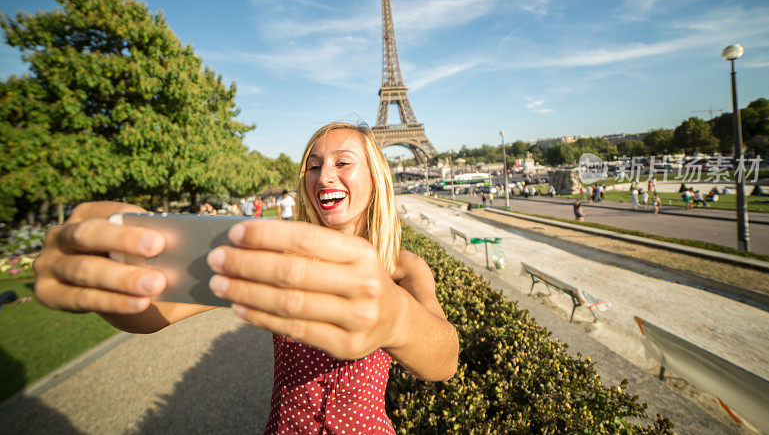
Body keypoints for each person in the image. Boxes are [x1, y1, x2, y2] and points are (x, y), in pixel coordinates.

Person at [32, 122, 459, 433]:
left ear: (376, 178)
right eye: (313, 165)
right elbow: (156, 313)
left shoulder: (403, 267)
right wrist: (115, 279)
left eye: (343, 162)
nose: (324, 175)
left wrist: (396, 318)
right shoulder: (276, 256)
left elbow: (445, 358)